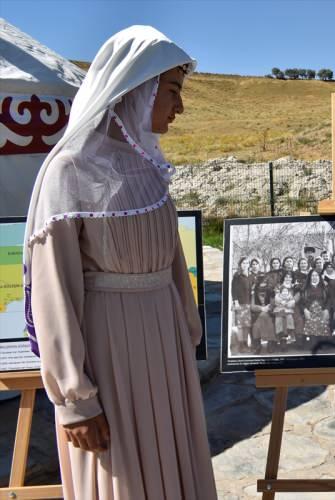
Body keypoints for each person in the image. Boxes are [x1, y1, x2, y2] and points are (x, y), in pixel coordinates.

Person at [22, 26, 216, 499]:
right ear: (137, 89)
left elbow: (171, 265)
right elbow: (54, 291)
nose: (180, 107)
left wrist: (185, 334)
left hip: (164, 349)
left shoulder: (150, 167)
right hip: (109, 354)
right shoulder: (70, 170)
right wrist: (74, 399)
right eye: (172, 91)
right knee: (123, 476)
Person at [301, 270, 331, 350]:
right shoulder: (305, 288)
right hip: (310, 311)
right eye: (313, 276)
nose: (314, 277)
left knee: (323, 322)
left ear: (319, 277)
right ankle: (314, 343)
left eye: (316, 275)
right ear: (310, 277)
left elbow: (329, 300)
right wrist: (305, 310)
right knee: (311, 323)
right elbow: (301, 302)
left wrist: (327, 310)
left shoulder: (324, 287)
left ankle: (322, 342)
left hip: (322, 310)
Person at [231, 257, 255, 353]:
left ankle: (245, 344)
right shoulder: (237, 275)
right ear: (240, 264)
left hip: (248, 304)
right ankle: (241, 346)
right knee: (241, 326)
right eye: (243, 263)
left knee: (247, 325)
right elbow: (233, 290)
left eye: (247, 263)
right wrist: (235, 302)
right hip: (240, 303)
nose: (245, 264)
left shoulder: (250, 276)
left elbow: (251, 288)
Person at [251, 276, 276, 353]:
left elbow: (272, 304)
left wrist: (267, 308)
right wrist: (262, 308)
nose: (263, 284)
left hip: (269, 312)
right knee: (256, 324)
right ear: (258, 283)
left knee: (265, 320)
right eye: (261, 282)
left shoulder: (270, 291)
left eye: (265, 282)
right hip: (258, 313)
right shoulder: (254, 293)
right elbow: (252, 306)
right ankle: (260, 344)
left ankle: (267, 344)